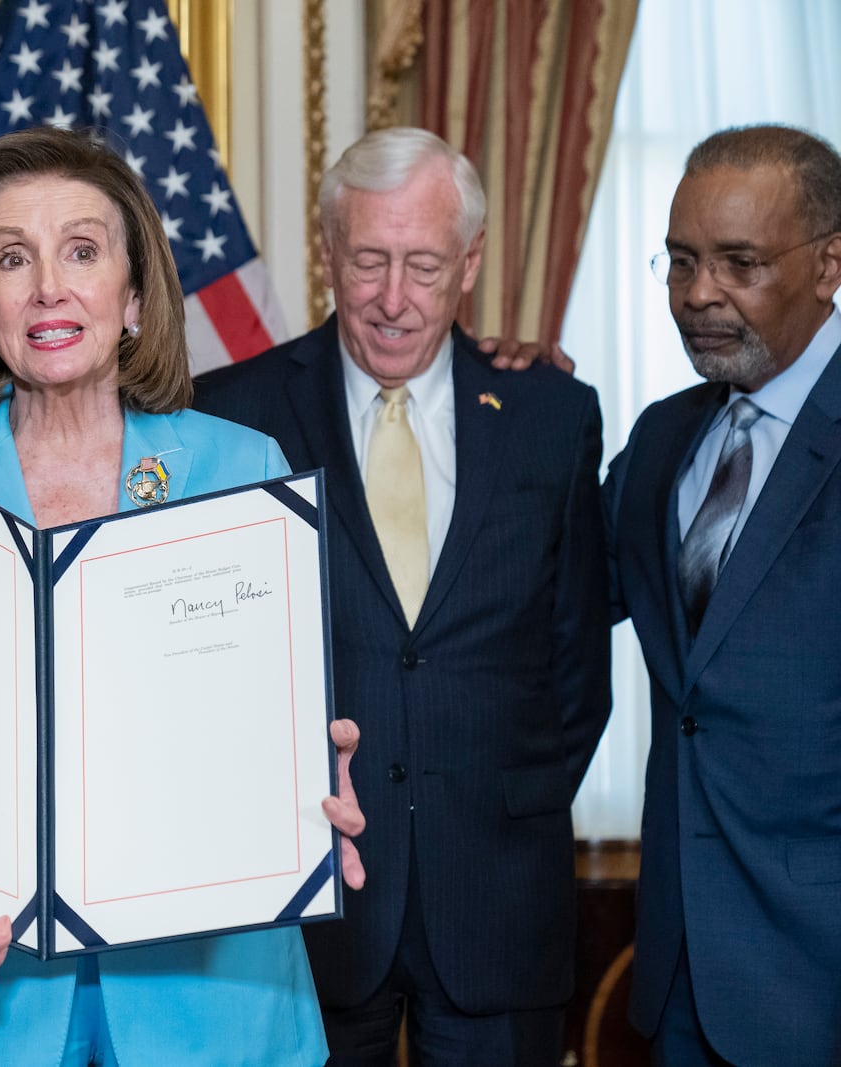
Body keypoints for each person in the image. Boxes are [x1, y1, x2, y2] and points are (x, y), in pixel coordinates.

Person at [0, 125, 366, 1066]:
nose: (49, 288)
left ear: (135, 296)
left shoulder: (245, 472)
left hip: (217, 1006)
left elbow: (280, 733)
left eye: (81, 250)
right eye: (12, 258)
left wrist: (315, 784)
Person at [193, 127, 611, 1066]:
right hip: (303, 907)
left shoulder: (553, 416)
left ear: (469, 265)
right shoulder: (230, 415)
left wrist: (503, 800)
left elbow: (578, 666)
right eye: (369, 261)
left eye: (423, 266)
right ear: (328, 254)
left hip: (500, 900)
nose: (391, 299)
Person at [606, 124, 841, 1067]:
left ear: (830, 265)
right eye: (681, 261)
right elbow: (549, 609)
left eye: (739, 262)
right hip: (681, 981)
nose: (699, 294)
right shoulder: (663, 441)